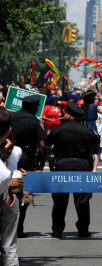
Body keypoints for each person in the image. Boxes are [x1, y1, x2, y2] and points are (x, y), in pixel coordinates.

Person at [46, 103, 100, 238]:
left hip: (62, 166)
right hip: (82, 166)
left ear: (69, 115)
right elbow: (96, 140)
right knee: (82, 200)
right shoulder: (87, 130)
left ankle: (57, 230)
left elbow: (47, 141)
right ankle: (83, 229)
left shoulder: (59, 129)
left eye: (65, 113)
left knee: (59, 200)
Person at [10, 95, 47, 238]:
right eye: (37, 106)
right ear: (32, 107)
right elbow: (42, 146)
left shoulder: (11, 117)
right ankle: (19, 228)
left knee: (7, 191)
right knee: (23, 194)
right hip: (26, 160)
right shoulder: (34, 121)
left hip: (8, 157)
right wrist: (41, 165)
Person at [0, 106, 24, 264]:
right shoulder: (16, 151)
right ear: (9, 130)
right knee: (9, 245)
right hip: (6, 198)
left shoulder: (12, 151)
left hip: (6, 196)